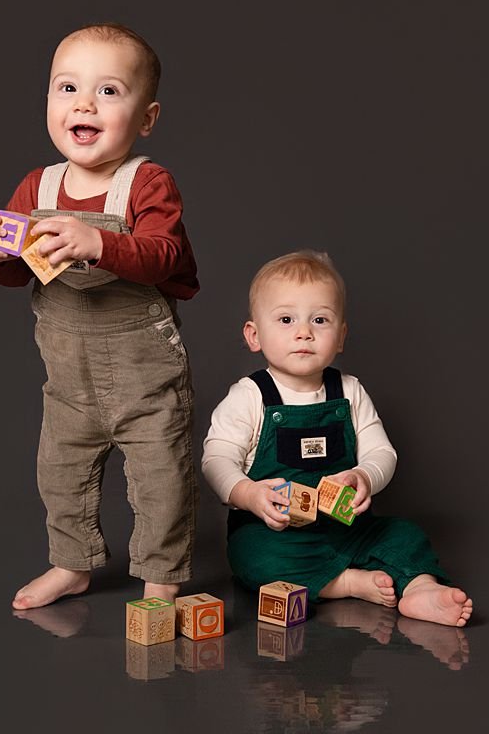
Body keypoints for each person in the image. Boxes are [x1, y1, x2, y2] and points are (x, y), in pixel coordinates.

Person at [0, 23, 198, 610]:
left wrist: (97, 243)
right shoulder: (38, 185)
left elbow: (166, 255)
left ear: (146, 117)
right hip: (68, 381)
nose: (83, 103)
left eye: (108, 92)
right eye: (67, 87)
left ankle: (161, 574)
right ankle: (71, 564)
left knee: (160, 478)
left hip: (144, 378)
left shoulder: (146, 182)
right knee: (60, 473)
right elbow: (15, 273)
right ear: (48, 103)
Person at [201, 250, 473, 626]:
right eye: (285, 319)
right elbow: (216, 460)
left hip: (348, 530)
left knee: (404, 535)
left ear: (341, 335)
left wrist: (364, 477)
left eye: (320, 320)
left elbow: (382, 452)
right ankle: (344, 582)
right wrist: (248, 493)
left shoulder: (349, 391)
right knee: (256, 560)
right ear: (254, 335)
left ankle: (421, 588)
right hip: (276, 536)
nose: (304, 332)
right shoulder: (249, 396)